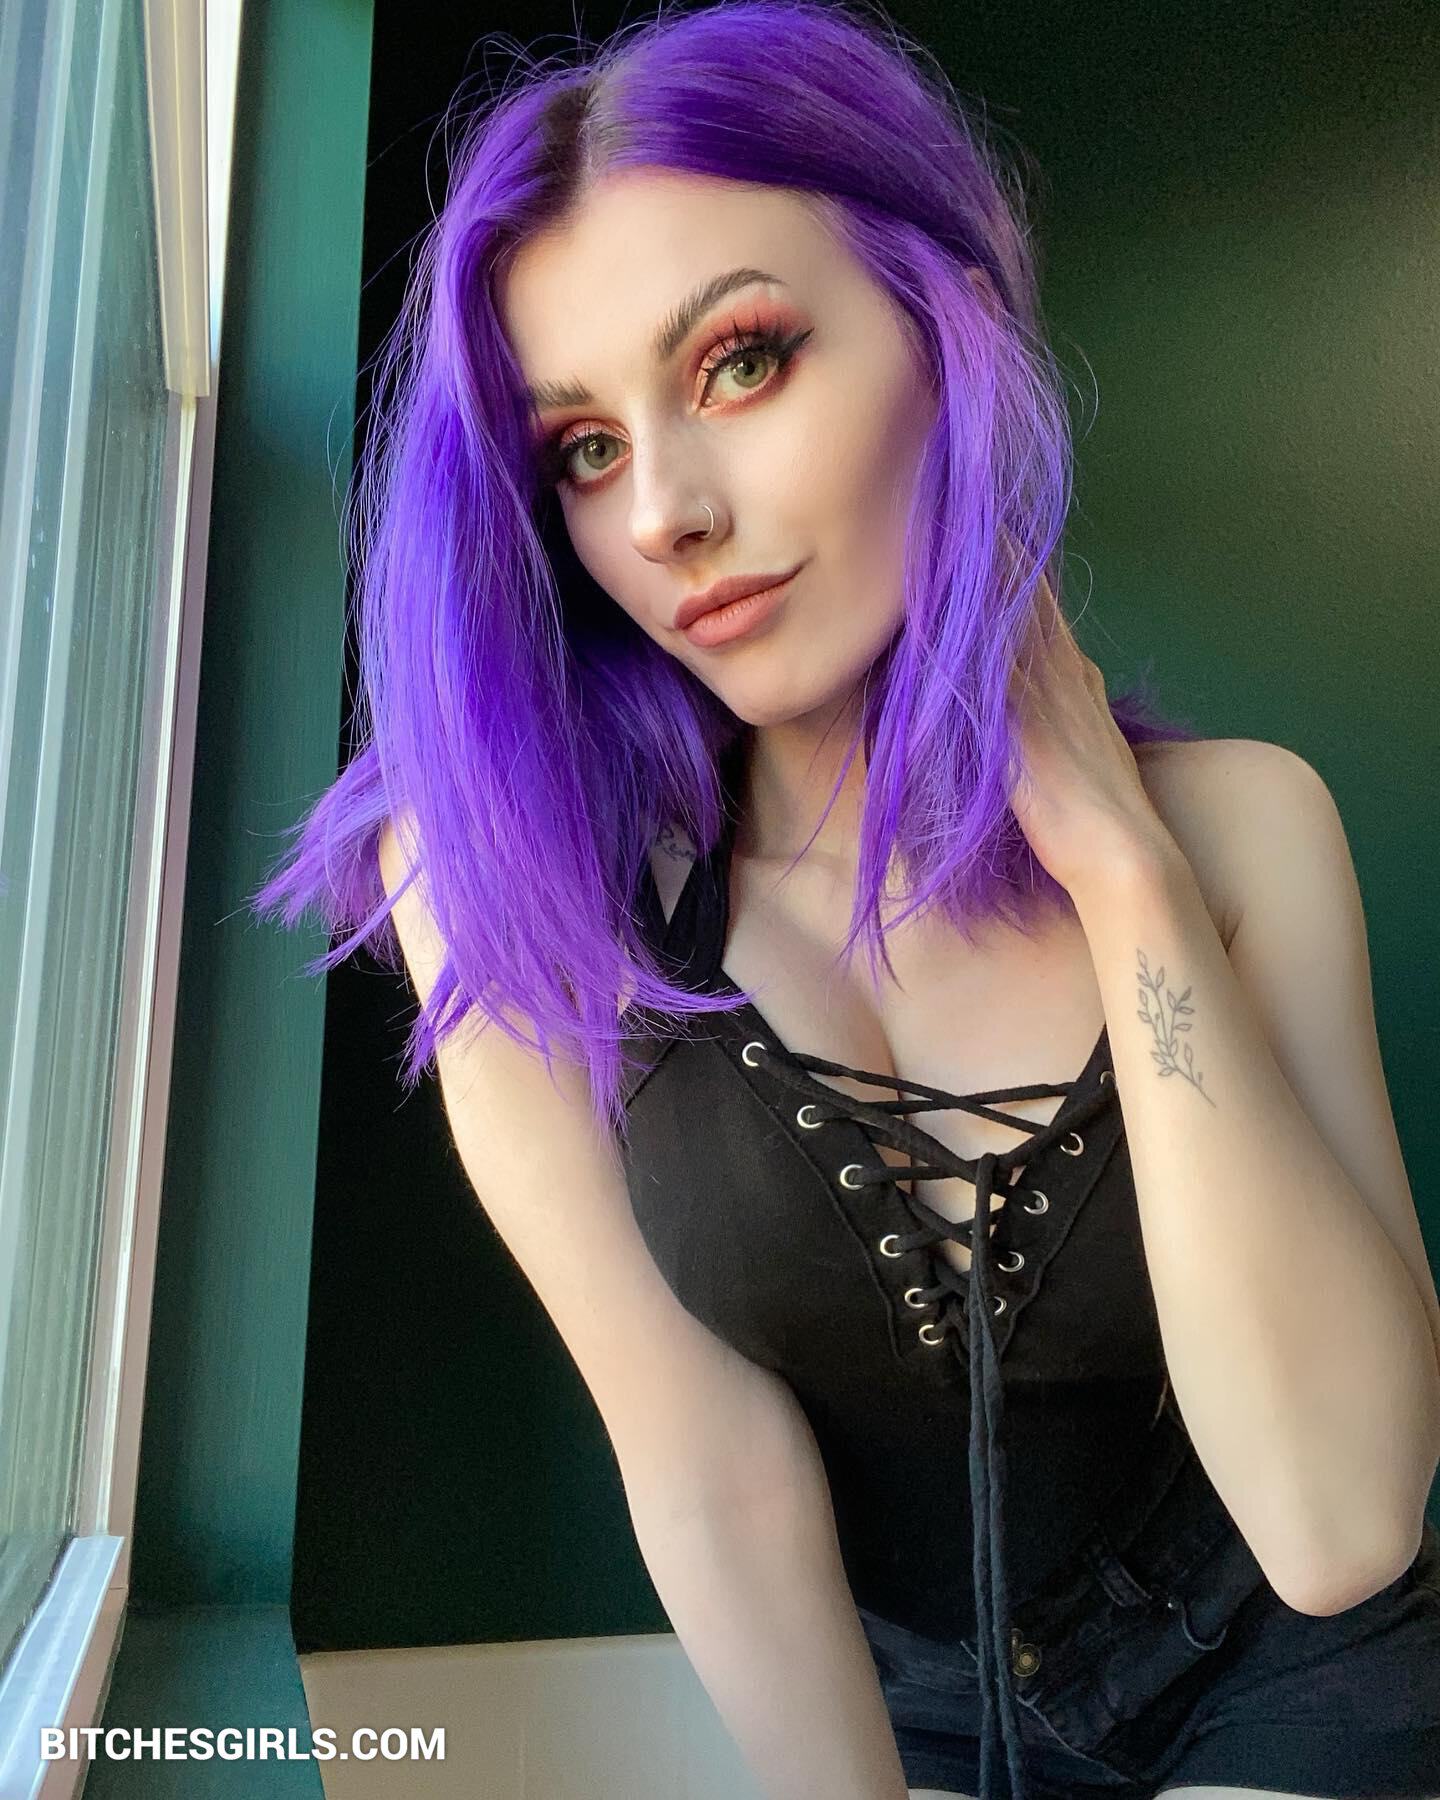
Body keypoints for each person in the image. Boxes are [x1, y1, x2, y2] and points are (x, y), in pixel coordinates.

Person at [251, 3, 1440, 1795]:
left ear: (945, 330)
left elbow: (1337, 1527)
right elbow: (703, 1462)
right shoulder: (514, 888)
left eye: (740, 361)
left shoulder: (1244, 833)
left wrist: (1122, 872)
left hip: (1301, 1670)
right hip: (912, 1713)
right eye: (583, 448)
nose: (665, 512)